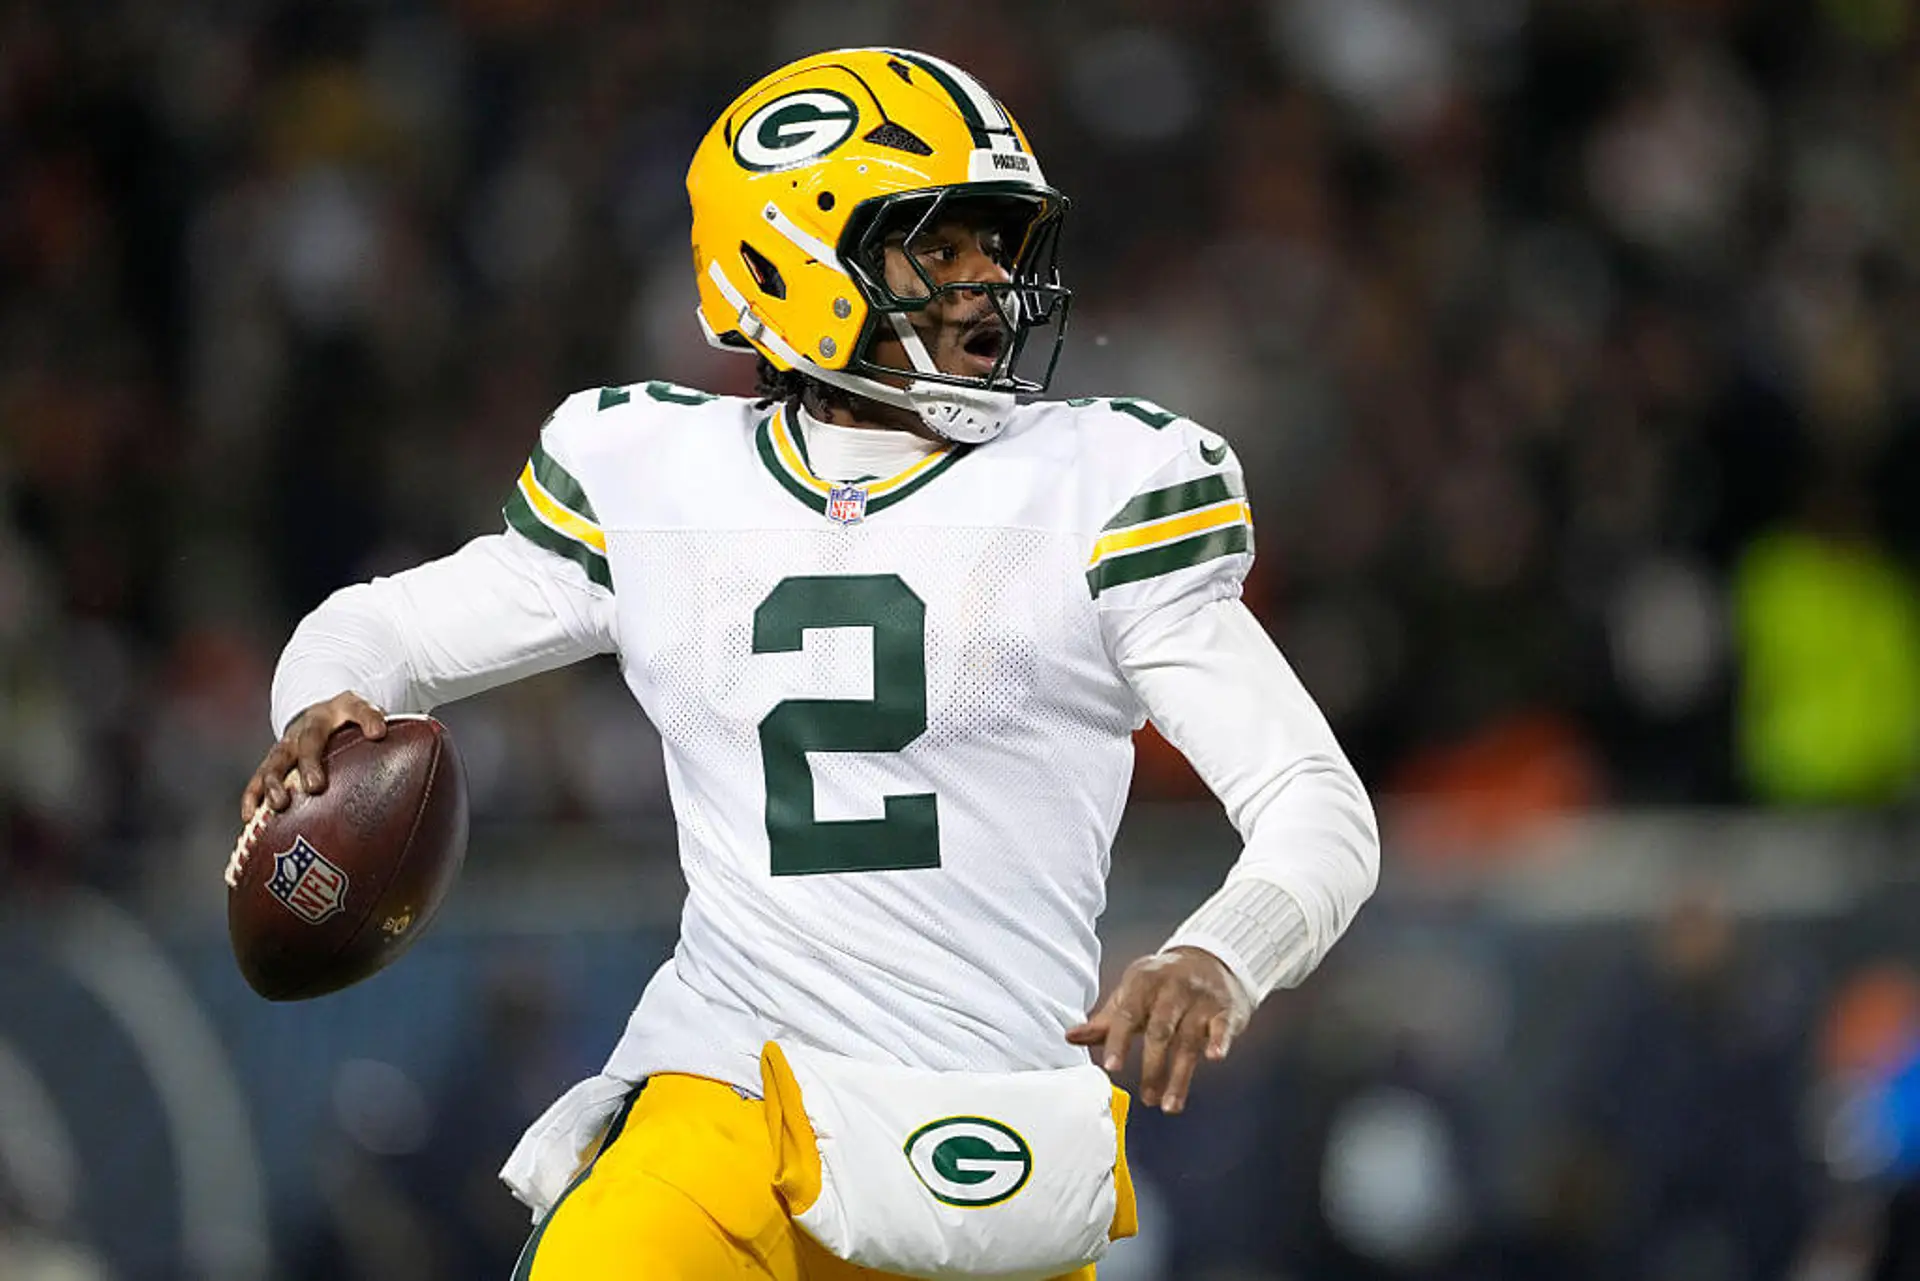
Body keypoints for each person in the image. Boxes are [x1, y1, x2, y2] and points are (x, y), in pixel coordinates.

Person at [242, 47, 1379, 1281]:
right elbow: (378, 629)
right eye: (937, 249)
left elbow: (1318, 806)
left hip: (984, 1142)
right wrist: (322, 708)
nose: (988, 284)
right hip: (724, 1096)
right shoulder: (656, 473)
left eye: (997, 246)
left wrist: (1220, 953)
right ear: (789, 256)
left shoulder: (1100, 486)